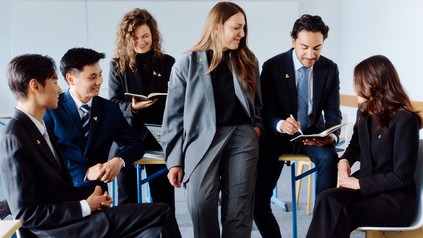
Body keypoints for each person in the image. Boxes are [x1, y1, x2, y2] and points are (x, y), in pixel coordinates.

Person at [0, 54, 181, 237]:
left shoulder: (37, 128)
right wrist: (85, 206)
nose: (59, 88)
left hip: (78, 211)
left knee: (157, 233)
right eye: (54, 82)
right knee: (163, 211)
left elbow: (55, 190)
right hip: (63, 228)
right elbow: (27, 214)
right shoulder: (15, 137)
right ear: (35, 86)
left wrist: (91, 199)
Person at [161, 2, 262, 237]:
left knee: (239, 209)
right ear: (217, 26)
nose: (242, 34)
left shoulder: (247, 59)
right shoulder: (187, 62)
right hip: (202, 139)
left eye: (244, 28)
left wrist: (256, 127)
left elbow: (258, 103)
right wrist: (174, 161)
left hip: (242, 137)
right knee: (200, 203)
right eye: (236, 27)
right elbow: (173, 116)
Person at [306, 55, 422, 237]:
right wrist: (344, 161)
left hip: (393, 200)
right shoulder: (365, 111)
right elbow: (355, 146)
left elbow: (401, 177)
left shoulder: (405, 120)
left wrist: (359, 183)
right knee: (326, 199)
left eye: (357, 82)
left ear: (374, 82)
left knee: (340, 210)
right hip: (366, 188)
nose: (354, 88)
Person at [254, 14, 342, 237]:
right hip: (276, 137)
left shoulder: (330, 69)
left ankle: (321, 231)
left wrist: (330, 136)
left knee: (330, 157)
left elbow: (333, 113)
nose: (310, 54)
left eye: (317, 48)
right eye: (304, 47)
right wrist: (280, 124)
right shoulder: (273, 66)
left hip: (312, 134)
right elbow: (266, 112)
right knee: (256, 201)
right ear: (293, 40)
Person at [44, 47, 143, 195]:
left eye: (100, 74)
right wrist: (85, 173)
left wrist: (119, 160)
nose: (99, 81)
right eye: (92, 77)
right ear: (70, 79)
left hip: (97, 194)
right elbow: (45, 156)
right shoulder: (52, 109)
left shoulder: (110, 109)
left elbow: (135, 145)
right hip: (60, 193)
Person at [109, 8, 175, 207]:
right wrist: (133, 108)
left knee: (163, 199)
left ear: (153, 34)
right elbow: (114, 104)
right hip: (129, 135)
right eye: (134, 38)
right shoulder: (117, 64)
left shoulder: (168, 62)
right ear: (126, 39)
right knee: (127, 200)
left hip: (159, 134)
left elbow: (177, 101)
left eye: (145, 36)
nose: (141, 42)